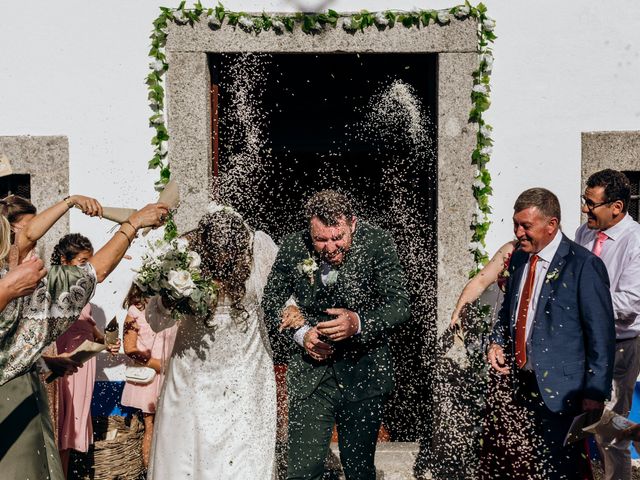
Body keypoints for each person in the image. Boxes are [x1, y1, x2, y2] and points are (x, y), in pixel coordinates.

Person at [0, 196, 168, 480]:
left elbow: (10, 346)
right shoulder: (15, 284)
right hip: (11, 401)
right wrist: (133, 223)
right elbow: (94, 271)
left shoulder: (15, 281)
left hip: (25, 391)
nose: (27, 243)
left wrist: (44, 362)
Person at [263, 190, 410, 480]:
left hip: (364, 374)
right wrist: (302, 334)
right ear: (309, 229)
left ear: (352, 223)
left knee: (359, 471)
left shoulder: (378, 243)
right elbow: (270, 301)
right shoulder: (293, 246)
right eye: (321, 239)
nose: (330, 247)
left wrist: (358, 322)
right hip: (311, 378)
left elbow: (400, 304)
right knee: (302, 472)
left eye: (338, 237)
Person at [487, 187, 615, 479]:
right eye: (515, 224)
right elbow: (508, 313)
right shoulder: (519, 260)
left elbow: (601, 335)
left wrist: (595, 394)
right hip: (522, 386)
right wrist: (496, 342)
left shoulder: (583, 265)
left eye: (526, 226)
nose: (518, 232)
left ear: (551, 224)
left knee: (564, 471)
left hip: (565, 392)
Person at [147, 206, 278, 479]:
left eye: (228, 252)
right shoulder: (182, 259)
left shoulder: (259, 250)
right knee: (189, 449)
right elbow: (156, 322)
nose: (222, 258)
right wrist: (170, 299)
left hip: (245, 372)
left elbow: (281, 298)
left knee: (242, 452)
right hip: (192, 374)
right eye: (215, 252)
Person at [574, 169, 640, 480]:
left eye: (591, 203)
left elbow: (629, 303)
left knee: (610, 431)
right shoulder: (583, 233)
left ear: (616, 207)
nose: (585, 208)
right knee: (584, 419)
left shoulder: (636, 241)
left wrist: (583, 308)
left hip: (620, 345)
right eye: (584, 201)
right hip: (583, 344)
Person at [52, 234, 120, 477]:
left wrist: (106, 343)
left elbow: (89, 328)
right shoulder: (54, 289)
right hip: (62, 364)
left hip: (82, 367)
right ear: (64, 261)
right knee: (59, 425)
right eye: (82, 262)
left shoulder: (82, 293)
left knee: (70, 432)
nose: (87, 268)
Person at [120, 284, 177, 469]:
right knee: (151, 427)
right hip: (152, 379)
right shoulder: (135, 311)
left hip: (173, 377)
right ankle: (151, 472)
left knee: (173, 428)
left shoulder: (175, 309)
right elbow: (130, 348)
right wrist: (157, 364)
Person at [450, 240, 517, 329]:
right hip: (505, 322)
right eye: (516, 225)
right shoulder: (511, 249)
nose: (519, 231)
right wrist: (458, 312)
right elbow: (480, 282)